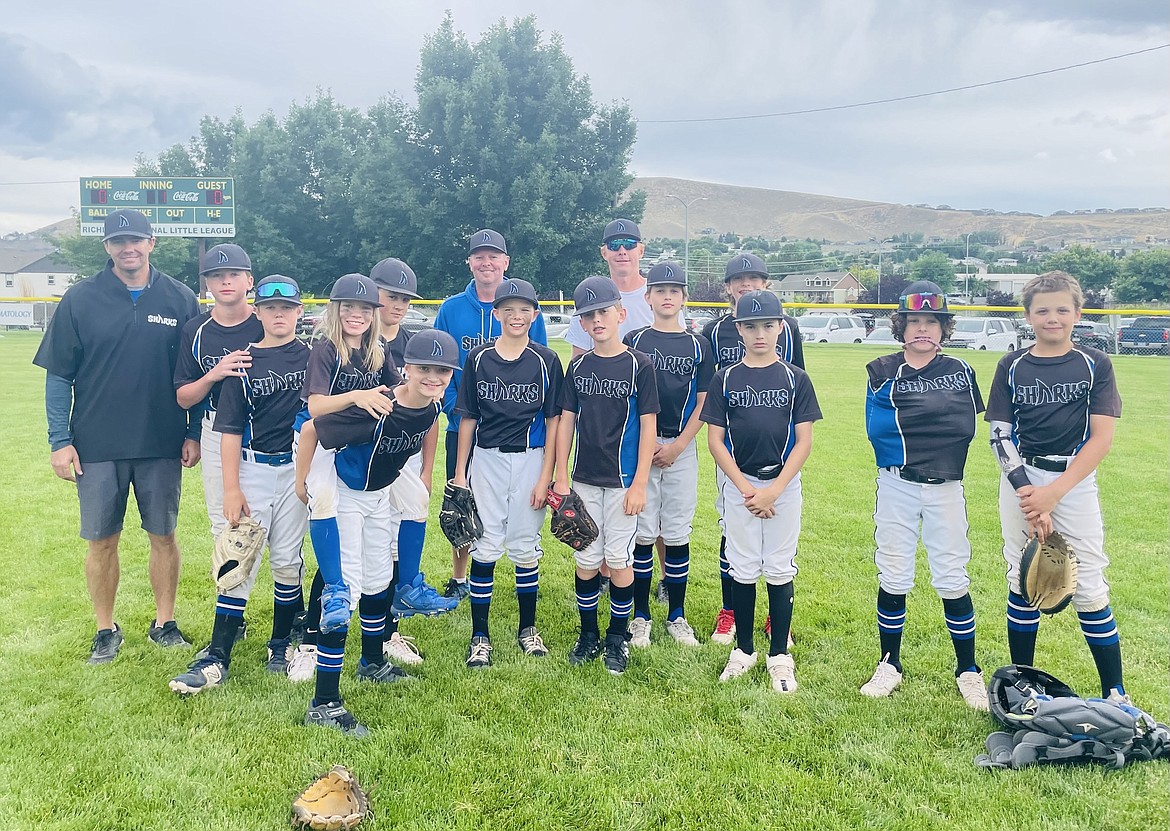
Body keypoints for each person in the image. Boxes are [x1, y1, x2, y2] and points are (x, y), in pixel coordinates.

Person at [34, 209, 201, 663]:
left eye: (136, 240)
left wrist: (191, 432)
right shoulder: (81, 299)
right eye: (118, 241)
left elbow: (193, 374)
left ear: (152, 242)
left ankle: (164, 622)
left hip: (161, 442)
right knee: (102, 540)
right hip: (97, 444)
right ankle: (105, 630)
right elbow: (58, 377)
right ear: (106, 246)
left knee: (163, 535)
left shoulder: (180, 298)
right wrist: (58, 440)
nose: (128, 248)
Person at [294, 329, 457, 736]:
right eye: (424, 369)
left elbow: (429, 426)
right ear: (406, 369)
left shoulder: (432, 407)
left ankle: (372, 660)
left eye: (442, 371)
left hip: (379, 492)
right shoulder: (378, 408)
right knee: (343, 594)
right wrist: (303, 481)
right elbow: (314, 428)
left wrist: (424, 469)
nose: (433, 377)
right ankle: (325, 702)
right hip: (346, 492)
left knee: (378, 580)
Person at [986, 271, 1128, 702]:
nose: (1053, 318)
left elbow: (1101, 437)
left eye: (1062, 309)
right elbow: (998, 433)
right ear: (1027, 315)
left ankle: (1115, 691)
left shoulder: (1094, 363)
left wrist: (1054, 493)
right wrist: (1028, 491)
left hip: (1074, 480)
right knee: (1023, 576)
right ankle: (1024, 684)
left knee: (1087, 582)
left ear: (1077, 314)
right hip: (1021, 478)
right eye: (1042, 310)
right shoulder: (1012, 364)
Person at [169, 275, 311, 693]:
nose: (279, 314)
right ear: (259, 311)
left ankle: (281, 643)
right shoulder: (243, 360)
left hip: (296, 472)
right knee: (238, 557)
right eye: (270, 308)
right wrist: (232, 487)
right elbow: (229, 431)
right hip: (253, 469)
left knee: (287, 559)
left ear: (299, 312)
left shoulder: (315, 358)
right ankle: (217, 655)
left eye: (287, 308)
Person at [860, 281, 989, 710]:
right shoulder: (881, 369)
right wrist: (925, 421)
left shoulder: (960, 369)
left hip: (946, 485)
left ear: (944, 327)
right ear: (901, 325)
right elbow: (879, 432)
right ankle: (889, 663)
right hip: (897, 483)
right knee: (894, 572)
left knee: (952, 575)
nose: (922, 330)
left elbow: (963, 428)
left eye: (931, 321)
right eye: (914, 321)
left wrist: (916, 421)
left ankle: (968, 669)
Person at [700, 291, 821, 693]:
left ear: (781, 328)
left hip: (782, 485)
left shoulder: (795, 378)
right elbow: (716, 440)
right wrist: (747, 489)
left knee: (780, 566)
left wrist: (775, 490)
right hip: (740, 484)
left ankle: (779, 656)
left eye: (768, 325)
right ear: (738, 330)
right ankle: (745, 649)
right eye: (751, 326)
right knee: (743, 564)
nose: (760, 334)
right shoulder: (727, 378)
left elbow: (804, 441)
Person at [286, 274, 399, 680]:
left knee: (396, 520)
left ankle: (398, 605)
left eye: (364, 309)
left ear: (374, 314)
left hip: (355, 446)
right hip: (317, 442)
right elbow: (315, 409)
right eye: (348, 307)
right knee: (326, 505)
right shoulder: (325, 348)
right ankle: (329, 600)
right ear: (335, 310)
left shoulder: (377, 350)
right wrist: (356, 396)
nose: (356, 314)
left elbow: (397, 394)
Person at [452, 279, 565, 668]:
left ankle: (528, 629)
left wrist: (544, 477)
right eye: (508, 309)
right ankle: (479, 635)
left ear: (534, 315)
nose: (516, 316)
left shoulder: (546, 359)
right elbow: (467, 418)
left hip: (532, 459)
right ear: (495, 313)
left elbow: (553, 422)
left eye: (524, 310)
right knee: (484, 544)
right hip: (487, 459)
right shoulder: (480, 358)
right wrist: (459, 474)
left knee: (523, 544)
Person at [553, 276, 659, 676]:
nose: (596, 320)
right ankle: (589, 634)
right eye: (588, 315)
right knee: (585, 558)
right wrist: (561, 478)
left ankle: (618, 637)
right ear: (581, 322)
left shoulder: (639, 364)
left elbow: (648, 426)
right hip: (583, 478)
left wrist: (639, 483)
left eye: (602, 311)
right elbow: (566, 421)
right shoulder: (577, 366)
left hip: (623, 480)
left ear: (620, 312)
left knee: (618, 559)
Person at [433, 229, 548, 600]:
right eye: (479, 256)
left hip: (516, 431)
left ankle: (520, 566)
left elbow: (539, 361)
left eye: (493, 256)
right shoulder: (452, 308)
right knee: (462, 499)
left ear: (505, 262)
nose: (486, 262)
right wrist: (456, 406)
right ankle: (461, 576)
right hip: (465, 425)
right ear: (470, 262)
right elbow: (439, 363)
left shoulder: (526, 309)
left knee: (514, 506)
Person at [701, 253, 804, 646]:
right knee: (732, 530)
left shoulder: (787, 328)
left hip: (778, 454)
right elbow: (711, 392)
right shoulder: (714, 331)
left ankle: (777, 620)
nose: (746, 284)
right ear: (727, 288)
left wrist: (778, 481)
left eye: (754, 278)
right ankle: (731, 610)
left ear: (766, 284)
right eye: (738, 279)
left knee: (780, 541)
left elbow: (795, 388)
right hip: (731, 454)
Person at [174, 243, 266, 651]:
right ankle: (233, 612)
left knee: (278, 526)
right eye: (216, 276)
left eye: (233, 274)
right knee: (226, 524)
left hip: (267, 432)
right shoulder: (196, 329)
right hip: (215, 429)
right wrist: (214, 373)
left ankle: (290, 613)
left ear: (249, 281)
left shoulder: (266, 321)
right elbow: (183, 397)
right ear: (207, 284)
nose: (225, 281)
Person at [622, 262, 713, 648]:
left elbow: (706, 403)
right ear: (648, 297)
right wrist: (648, 446)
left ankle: (677, 615)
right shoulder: (635, 338)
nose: (667, 296)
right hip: (642, 444)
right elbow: (626, 394)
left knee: (675, 532)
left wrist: (677, 446)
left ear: (683, 297)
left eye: (674, 290)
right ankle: (640, 615)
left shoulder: (698, 344)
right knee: (643, 533)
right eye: (660, 290)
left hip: (680, 446)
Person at [369, 257, 453, 668]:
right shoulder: (356, 340)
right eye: (391, 295)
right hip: (358, 456)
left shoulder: (411, 343)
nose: (398, 304)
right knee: (363, 545)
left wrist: (424, 468)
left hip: (400, 456)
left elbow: (431, 411)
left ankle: (390, 632)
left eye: (405, 298)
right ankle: (312, 635)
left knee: (398, 540)